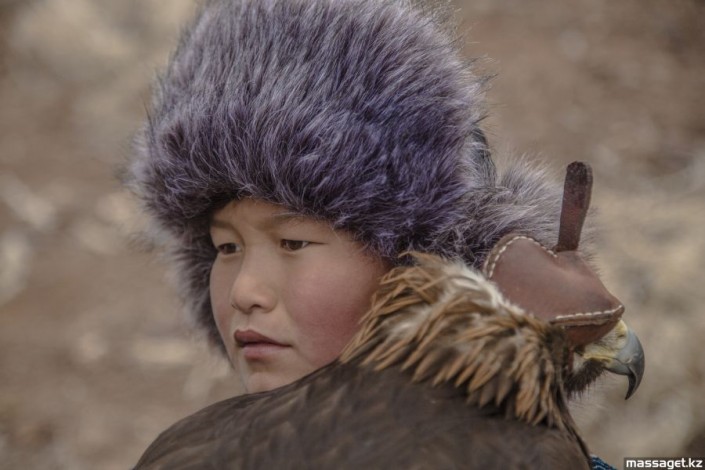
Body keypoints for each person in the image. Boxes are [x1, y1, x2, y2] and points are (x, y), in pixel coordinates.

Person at [128, 0, 567, 418]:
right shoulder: (203, 452)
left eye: (292, 242)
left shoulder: (510, 455)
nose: (243, 292)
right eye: (226, 247)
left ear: (419, 269)